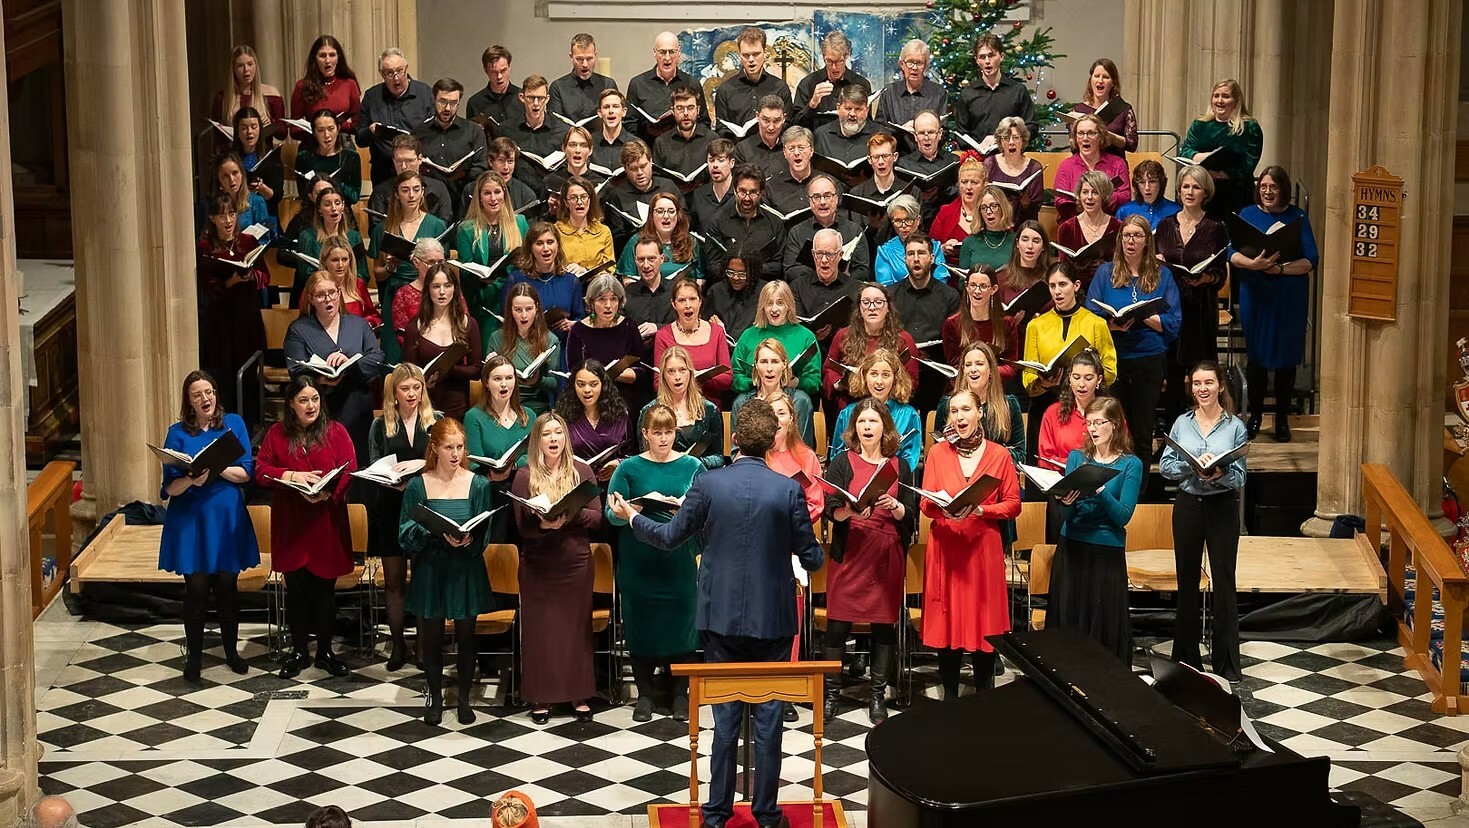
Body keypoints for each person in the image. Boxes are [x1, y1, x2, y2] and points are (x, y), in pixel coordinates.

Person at [608, 399, 823, 828]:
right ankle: (765, 813)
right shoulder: (787, 490)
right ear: (774, 440)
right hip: (774, 620)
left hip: (720, 618)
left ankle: (717, 814)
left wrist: (632, 516)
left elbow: (669, 537)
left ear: (735, 439)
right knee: (768, 720)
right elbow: (813, 559)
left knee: (725, 719)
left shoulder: (708, 485)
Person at [606, 403, 706, 722]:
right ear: (645, 434)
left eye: (668, 432)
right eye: (657, 433)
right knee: (640, 625)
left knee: (683, 626)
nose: (663, 439)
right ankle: (645, 694)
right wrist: (633, 508)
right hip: (640, 560)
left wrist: (684, 511)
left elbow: (707, 511)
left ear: (675, 432)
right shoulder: (628, 469)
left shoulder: (693, 466)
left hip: (678, 560)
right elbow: (612, 514)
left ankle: (679, 695)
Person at [920, 389, 1022, 699]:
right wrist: (944, 507)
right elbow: (926, 504)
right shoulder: (938, 453)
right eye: (954, 411)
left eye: (966, 410)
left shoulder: (999, 455)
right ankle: (950, 696)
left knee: (984, 620)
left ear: (980, 413)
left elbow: (1013, 504)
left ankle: (985, 697)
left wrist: (982, 509)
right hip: (947, 545)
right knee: (947, 620)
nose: (960, 417)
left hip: (982, 547)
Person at [254, 375, 357, 679]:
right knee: (296, 590)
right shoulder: (276, 433)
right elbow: (260, 471)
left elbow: (350, 468)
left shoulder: (335, 431)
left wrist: (328, 492)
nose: (311, 405)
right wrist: (291, 476)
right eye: (303, 400)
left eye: (315, 399)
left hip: (325, 520)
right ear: (291, 404)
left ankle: (325, 652)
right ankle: (299, 651)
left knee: (325, 590)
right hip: (293, 522)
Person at [158, 370, 258, 681]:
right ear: (188, 403)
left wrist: (215, 468)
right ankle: (194, 658)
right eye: (198, 395)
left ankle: (231, 652)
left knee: (228, 586)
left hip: (226, 516)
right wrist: (190, 477)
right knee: (197, 588)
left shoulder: (234, 424)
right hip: (192, 518)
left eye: (210, 392)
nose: (206, 398)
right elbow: (169, 490)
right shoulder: (177, 434)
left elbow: (246, 474)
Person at [821, 397, 916, 723]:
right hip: (851, 553)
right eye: (862, 422)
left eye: (873, 422)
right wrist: (848, 510)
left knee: (883, 628)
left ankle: (877, 696)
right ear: (855, 428)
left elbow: (910, 514)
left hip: (884, 553)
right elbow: (831, 507)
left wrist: (895, 506)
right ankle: (832, 695)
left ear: (884, 428)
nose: (867, 427)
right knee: (836, 626)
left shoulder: (900, 466)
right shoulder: (842, 463)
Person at [398, 418, 495, 725]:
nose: (455, 454)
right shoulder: (418, 484)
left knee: (467, 636)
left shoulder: (477, 483)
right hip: (432, 567)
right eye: (448, 447)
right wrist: (432, 533)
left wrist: (469, 537)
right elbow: (405, 530)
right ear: (435, 449)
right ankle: (436, 698)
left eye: (460, 447)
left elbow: (485, 529)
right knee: (432, 638)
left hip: (465, 565)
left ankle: (465, 699)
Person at [510, 412, 605, 723]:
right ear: (537, 440)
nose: (553, 439)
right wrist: (545, 523)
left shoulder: (582, 471)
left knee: (576, 630)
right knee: (540, 632)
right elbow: (522, 528)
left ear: (566, 438)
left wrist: (570, 516)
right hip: (538, 562)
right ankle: (541, 697)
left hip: (574, 561)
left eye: (558, 433)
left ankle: (578, 694)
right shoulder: (524, 476)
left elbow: (596, 518)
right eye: (547, 434)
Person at [1160, 361, 1248, 681]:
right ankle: (1186, 658)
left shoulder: (1234, 426)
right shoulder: (1182, 424)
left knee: (1224, 582)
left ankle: (1226, 662)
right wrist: (1192, 468)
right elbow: (1167, 466)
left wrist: (1220, 471)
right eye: (1197, 384)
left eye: (1208, 383)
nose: (1203, 389)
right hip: (1188, 506)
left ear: (1220, 386)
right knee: (1186, 582)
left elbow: (1240, 475)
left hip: (1222, 507)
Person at [1229, 165, 1319, 442]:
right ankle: (1255, 417)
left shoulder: (1297, 217)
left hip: (1288, 298)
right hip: (1256, 294)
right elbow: (1231, 252)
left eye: (1274, 187)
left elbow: (1310, 260)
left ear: (1284, 190)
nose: (1268, 191)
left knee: (1285, 361)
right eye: (1264, 186)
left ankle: (1281, 420)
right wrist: (1254, 264)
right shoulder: (1247, 214)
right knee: (1256, 359)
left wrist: (1279, 270)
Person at [1087, 215, 1181, 478]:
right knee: (1113, 424)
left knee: (1142, 425)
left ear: (1146, 241)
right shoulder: (1106, 272)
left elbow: (1174, 322)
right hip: (1114, 356)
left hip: (1149, 357)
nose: (1131, 240)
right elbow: (1090, 315)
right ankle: (1113, 480)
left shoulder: (1163, 275)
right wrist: (1112, 324)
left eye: (1137, 236)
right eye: (1126, 235)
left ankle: (1138, 489)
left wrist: (1145, 316)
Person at [1050, 396, 1142, 662]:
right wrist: (1064, 501)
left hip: (1106, 550)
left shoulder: (1130, 464)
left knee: (1103, 623)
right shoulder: (1077, 458)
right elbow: (1068, 514)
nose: (1092, 428)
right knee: (1071, 620)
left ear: (1114, 425)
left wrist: (1099, 489)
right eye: (1088, 423)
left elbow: (1123, 516)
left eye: (1099, 422)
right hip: (1072, 547)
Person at [366, 364, 439, 672]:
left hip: (424, 508)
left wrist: (419, 470)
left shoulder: (436, 422)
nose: (411, 394)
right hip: (390, 507)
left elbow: (446, 462)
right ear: (393, 393)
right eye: (405, 389)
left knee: (423, 581)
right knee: (394, 581)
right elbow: (373, 466)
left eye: (416, 388)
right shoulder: (380, 426)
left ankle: (424, 645)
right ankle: (398, 645)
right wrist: (393, 479)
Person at [1022, 262, 1117, 466]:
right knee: (1041, 464)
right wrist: (1043, 383)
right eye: (1052, 285)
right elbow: (1028, 374)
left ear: (1076, 285)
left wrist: (1088, 378)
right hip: (1046, 401)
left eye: (1063, 284)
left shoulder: (1096, 324)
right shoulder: (1036, 325)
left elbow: (1110, 371)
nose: (1057, 291)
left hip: (1086, 406)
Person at [285, 271, 386, 463]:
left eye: (332, 292)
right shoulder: (298, 329)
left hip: (356, 401)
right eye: (321, 295)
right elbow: (295, 368)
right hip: (320, 405)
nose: (328, 299)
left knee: (358, 460)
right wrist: (320, 377)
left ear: (339, 293)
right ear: (311, 299)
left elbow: (377, 357)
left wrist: (349, 364)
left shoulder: (358, 324)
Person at [1156, 165, 1229, 426]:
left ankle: (1205, 428)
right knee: (1173, 373)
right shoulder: (1165, 226)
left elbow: (1221, 273)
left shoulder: (1215, 228)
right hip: (1172, 306)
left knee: (1202, 374)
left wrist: (1206, 277)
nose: (1189, 191)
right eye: (1186, 186)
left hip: (1200, 307)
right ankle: (1171, 433)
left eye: (1195, 187)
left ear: (1205, 192)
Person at [195, 195, 268, 415]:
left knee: (248, 375)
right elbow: (208, 288)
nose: (228, 220)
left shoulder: (248, 242)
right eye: (221, 215)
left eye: (232, 214)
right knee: (224, 375)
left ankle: (249, 424)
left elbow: (265, 276)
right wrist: (231, 281)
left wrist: (251, 276)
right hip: (221, 321)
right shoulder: (205, 246)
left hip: (246, 317)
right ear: (212, 218)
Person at [369, 172, 450, 362]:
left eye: (416, 190)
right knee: (394, 350)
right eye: (405, 190)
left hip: (426, 293)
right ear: (396, 194)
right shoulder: (383, 228)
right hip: (395, 292)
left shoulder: (436, 225)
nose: (411, 195)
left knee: (426, 346)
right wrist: (390, 267)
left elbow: (442, 268)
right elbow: (377, 274)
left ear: (422, 192)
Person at [886, 235, 961, 413]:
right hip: (900, 371)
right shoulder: (891, 295)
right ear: (905, 259)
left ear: (932, 257)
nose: (916, 258)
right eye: (910, 254)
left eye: (921, 253)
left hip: (937, 372)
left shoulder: (950, 296)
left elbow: (954, 340)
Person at [731, 282, 820, 434]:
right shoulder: (748, 336)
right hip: (756, 399)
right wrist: (754, 381)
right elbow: (735, 376)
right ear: (762, 307)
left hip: (791, 400)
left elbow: (815, 381)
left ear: (789, 306)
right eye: (769, 303)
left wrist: (796, 382)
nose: (774, 309)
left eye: (780, 303)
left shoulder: (805, 336)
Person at [465, 354, 535, 541]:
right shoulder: (474, 417)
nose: (504, 384)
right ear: (487, 383)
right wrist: (491, 471)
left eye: (509, 378)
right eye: (497, 379)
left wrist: (513, 466)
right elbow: (472, 461)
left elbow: (535, 456)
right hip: (490, 489)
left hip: (524, 488)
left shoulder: (529, 416)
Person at [456, 170, 528, 349]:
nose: (493, 198)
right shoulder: (467, 229)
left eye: (497, 191)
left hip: (514, 292)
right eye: (487, 193)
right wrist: (479, 278)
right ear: (479, 197)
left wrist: (521, 263)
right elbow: (465, 271)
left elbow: (528, 259)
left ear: (504, 193)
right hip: (484, 296)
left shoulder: (519, 222)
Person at [825, 283, 920, 414]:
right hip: (852, 403)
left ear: (888, 307)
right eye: (866, 302)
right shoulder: (843, 336)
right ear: (859, 307)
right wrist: (839, 383)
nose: (872, 308)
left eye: (878, 302)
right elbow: (829, 369)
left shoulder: (903, 339)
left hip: (889, 405)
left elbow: (911, 381)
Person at [403, 266, 483, 421]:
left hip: (457, 400)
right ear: (428, 290)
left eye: (447, 286)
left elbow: (477, 370)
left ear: (455, 288)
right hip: (425, 402)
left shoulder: (469, 324)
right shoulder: (414, 327)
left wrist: (448, 369)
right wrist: (424, 381)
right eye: (436, 286)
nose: (442, 292)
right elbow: (409, 371)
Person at [1178, 79, 1264, 221]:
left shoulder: (1249, 128)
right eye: (1216, 96)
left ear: (1236, 101)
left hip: (1235, 192)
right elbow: (1186, 150)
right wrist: (1199, 157)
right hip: (1204, 192)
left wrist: (1222, 174)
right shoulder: (1200, 125)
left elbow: (1249, 162)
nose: (1219, 100)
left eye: (1225, 96)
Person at [566, 273, 654, 410]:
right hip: (591, 401)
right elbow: (573, 371)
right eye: (602, 299)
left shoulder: (628, 326)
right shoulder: (578, 330)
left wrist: (613, 374)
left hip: (626, 399)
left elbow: (642, 371)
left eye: (613, 299)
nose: (608, 305)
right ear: (591, 302)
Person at [828, 348, 923, 474]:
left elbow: (910, 459)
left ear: (895, 379)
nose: (879, 381)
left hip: (893, 482)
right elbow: (836, 455)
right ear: (864, 377)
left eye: (886, 375)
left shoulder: (909, 415)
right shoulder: (847, 413)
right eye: (873, 374)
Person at [934, 342, 1025, 463]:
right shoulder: (947, 404)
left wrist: (987, 456)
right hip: (958, 475)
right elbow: (940, 451)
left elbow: (1020, 454)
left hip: (995, 474)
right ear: (963, 370)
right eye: (968, 365)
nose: (973, 369)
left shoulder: (1009, 405)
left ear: (991, 369)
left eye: (979, 364)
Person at [357, 47, 434, 186]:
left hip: (418, 172)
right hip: (384, 172)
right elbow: (360, 139)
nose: (396, 78)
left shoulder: (424, 93)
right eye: (389, 73)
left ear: (407, 68)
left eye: (399, 71)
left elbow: (434, 131)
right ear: (382, 74)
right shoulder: (372, 97)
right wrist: (371, 131)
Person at [641, 344, 727, 467]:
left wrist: (692, 462)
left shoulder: (709, 409)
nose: (677, 377)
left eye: (682, 370)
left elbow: (719, 457)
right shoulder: (649, 411)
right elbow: (643, 457)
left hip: (699, 477)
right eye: (671, 371)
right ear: (663, 376)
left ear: (690, 373)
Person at [414, 78, 489, 215]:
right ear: (434, 99)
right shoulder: (419, 133)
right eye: (443, 102)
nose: (448, 108)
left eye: (453, 103)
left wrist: (464, 174)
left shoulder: (473, 131)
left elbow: (482, 165)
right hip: (430, 203)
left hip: (464, 199)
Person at [781, 174, 873, 284]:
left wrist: (839, 275)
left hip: (845, 291)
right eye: (816, 197)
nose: (822, 202)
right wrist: (822, 270)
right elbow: (790, 272)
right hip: (809, 292)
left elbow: (863, 272)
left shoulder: (854, 230)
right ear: (809, 201)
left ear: (836, 198)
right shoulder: (796, 232)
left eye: (827, 195)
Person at [954, 34, 1038, 152]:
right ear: (977, 60)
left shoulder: (1018, 90)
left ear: (1001, 56)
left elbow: (1031, 127)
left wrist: (1001, 138)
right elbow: (960, 134)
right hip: (978, 160)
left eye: (991, 55)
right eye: (982, 57)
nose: (987, 61)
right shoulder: (967, 94)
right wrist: (979, 147)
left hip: (1011, 157)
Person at [655, 278, 734, 402]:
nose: (688, 305)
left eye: (692, 299)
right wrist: (690, 378)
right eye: (681, 300)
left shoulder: (716, 332)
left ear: (700, 301)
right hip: (675, 405)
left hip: (709, 405)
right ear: (674, 304)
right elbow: (657, 382)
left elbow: (727, 378)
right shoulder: (663, 335)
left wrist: (699, 378)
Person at [704, 164, 785, 281]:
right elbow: (713, 266)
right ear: (734, 190)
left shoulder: (775, 224)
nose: (747, 198)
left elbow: (778, 266)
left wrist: (749, 270)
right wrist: (737, 272)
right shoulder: (717, 222)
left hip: (763, 288)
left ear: (761, 193)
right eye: (742, 191)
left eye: (752, 192)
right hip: (728, 288)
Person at [506, 221, 585, 340]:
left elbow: (579, 318)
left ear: (557, 245)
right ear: (530, 248)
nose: (546, 249)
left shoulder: (571, 281)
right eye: (539, 243)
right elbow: (505, 319)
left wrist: (571, 324)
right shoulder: (516, 280)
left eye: (550, 242)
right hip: (526, 345)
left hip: (561, 345)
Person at [290, 186, 364, 306]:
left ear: (343, 206)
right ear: (319, 209)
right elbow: (304, 274)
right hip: (319, 297)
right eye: (328, 204)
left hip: (348, 294)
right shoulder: (307, 236)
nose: (334, 208)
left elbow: (363, 273)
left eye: (337, 203)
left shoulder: (354, 237)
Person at [790, 228, 861, 353]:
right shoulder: (797, 287)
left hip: (847, 353)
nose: (823, 260)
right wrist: (813, 335)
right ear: (813, 254)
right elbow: (795, 329)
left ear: (840, 255)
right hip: (809, 352)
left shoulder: (856, 288)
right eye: (819, 254)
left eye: (829, 254)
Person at [713, 26, 795, 134]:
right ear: (739, 55)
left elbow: (788, 124)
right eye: (746, 55)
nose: (751, 60)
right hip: (738, 148)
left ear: (765, 53)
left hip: (773, 148)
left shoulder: (780, 87)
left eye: (756, 54)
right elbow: (721, 128)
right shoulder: (725, 90)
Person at [943, 265, 1019, 380]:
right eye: (972, 285)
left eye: (983, 286)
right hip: (965, 388)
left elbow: (1011, 367)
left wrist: (986, 372)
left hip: (996, 387)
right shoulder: (952, 323)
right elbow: (954, 366)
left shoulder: (1007, 323)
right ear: (967, 287)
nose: (977, 291)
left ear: (993, 289)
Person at [364, 135, 457, 228]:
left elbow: (446, 223)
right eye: (399, 161)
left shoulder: (438, 188)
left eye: (409, 161)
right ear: (393, 160)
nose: (404, 166)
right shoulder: (381, 192)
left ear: (420, 159)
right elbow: (376, 230)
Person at [499, 74, 570, 195]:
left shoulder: (562, 130)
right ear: (522, 97)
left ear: (547, 99)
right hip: (516, 195)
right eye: (531, 98)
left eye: (540, 98)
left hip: (550, 195)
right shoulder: (507, 129)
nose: (536, 103)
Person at [498, 283, 563, 415]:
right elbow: (486, 380)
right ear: (510, 309)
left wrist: (538, 380)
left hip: (537, 407)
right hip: (504, 406)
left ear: (537, 308)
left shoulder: (550, 340)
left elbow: (554, 383)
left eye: (529, 309)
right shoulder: (497, 337)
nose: (524, 315)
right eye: (518, 310)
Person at [626, 32, 706, 139]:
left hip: (684, 147)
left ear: (679, 53)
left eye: (672, 52)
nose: (667, 58)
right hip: (648, 148)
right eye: (662, 52)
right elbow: (629, 123)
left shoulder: (692, 83)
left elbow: (704, 122)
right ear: (655, 53)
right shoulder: (637, 84)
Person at [1053, 114, 1128, 222]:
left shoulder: (1117, 163)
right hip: (1075, 224)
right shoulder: (1066, 166)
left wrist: (1101, 199)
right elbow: (1060, 201)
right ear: (1075, 138)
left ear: (1101, 137)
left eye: (1091, 133)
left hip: (1108, 224)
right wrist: (1078, 204)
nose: (1085, 138)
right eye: (1080, 133)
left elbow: (1125, 196)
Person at [616, 192, 706, 282]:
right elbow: (628, 279)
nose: (666, 216)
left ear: (678, 215)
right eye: (660, 211)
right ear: (652, 215)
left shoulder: (690, 241)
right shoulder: (637, 241)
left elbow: (700, 278)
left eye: (671, 211)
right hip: (646, 294)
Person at [1054, 170, 1122, 289]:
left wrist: (1107, 267)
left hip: (1110, 287)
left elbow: (1124, 265)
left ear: (1104, 196)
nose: (1089, 197)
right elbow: (1063, 270)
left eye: (1095, 192)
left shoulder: (1118, 227)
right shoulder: (1067, 228)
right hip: (1076, 291)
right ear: (1079, 195)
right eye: (1085, 192)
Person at [998, 220, 1054, 359]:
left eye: (1036, 241)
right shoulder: (1001, 277)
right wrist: (1011, 323)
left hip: (1044, 346)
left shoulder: (1051, 278)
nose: (1030, 246)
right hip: (1011, 349)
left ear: (1043, 247)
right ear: (1017, 244)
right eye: (1025, 239)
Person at [794, 31, 871, 129]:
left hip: (852, 142)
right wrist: (812, 104)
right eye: (829, 61)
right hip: (818, 141)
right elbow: (796, 125)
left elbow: (868, 123)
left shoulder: (861, 84)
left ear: (847, 56)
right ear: (823, 57)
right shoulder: (808, 83)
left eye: (839, 61)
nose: (834, 67)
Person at [874, 41, 950, 136]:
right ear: (902, 64)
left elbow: (944, 132)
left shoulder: (938, 93)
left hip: (927, 149)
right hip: (897, 148)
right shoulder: (889, 92)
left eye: (919, 63)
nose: (914, 67)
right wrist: (900, 131)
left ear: (926, 66)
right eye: (910, 62)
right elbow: (879, 130)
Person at [289, 35, 361, 133]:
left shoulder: (350, 84)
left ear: (338, 57)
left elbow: (357, 126)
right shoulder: (302, 86)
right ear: (315, 58)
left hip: (341, 141)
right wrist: (317, 129)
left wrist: (335, 125)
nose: (328, 61)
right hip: (312, 142)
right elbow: (294, 130)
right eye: (322, 56)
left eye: (332, 55)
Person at [896, 110, 957, 223]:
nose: (926, 137)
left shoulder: (953, 161)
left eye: (931, 132)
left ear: (939, 134)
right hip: (915, 222)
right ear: (915, 136)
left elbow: (958, 195)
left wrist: (939, 192)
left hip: (945, 219)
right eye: (921, 133)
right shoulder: (903, 164)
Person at [873, 194, 946, 287]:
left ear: (918, 220)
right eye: (898, 221)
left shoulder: (935, 247)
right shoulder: (885, 252)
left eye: (908, 220)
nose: (903, 225)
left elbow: (941, 283)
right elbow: (885, 288)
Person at [1068, 58, 1137, 156]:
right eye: (1096, 76)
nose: (1100, 80)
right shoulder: (1078, 109)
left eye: (1105, 77)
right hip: (1086, 167)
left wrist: (1110, 137)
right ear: (1091, 80)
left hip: (1114, 166)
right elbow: (1074, 148)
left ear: (1113, 83)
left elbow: (1132, 145)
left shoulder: (1123, 109)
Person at [309, 237, 380, 331]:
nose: (340, 265)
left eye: (345, 259)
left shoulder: (358, 284)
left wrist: (368, 324)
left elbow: (373, 316)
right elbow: (305, 322)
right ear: (325, 261)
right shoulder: (314, 286)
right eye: (335, 260)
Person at [929, 153, 987, 265]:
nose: (969, 187)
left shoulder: (994, 212)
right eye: (964, 182)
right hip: (951, 275)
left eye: (974, 182)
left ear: (984, 185)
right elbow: (930, 249)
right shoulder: (945, 212)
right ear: (958, 185)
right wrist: (943, 249)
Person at [294, 109, 362, 205]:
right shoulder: (304, 158)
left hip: (341, 212)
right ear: (313, 132)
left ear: (338, 129)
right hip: (313, 212)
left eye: (331, 129)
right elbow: (304, 195)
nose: (326, 135)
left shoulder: (351, 157)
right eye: (321, 130)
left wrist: (332, 183)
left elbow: (354, 197)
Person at [983, 117, 1043, 224]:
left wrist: (1025, 202)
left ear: (1023, 140)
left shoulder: (1034, 167)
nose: (1011, 142)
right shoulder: (990, 163)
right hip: (995, 224)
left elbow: (1036, 209)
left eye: (1016, 138)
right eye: (1006, 138)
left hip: (1024, 225)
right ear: (1000, 142)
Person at [549, 33, 618, 125]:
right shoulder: (558, 87)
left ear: (595, 56)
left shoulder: (607, 84)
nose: (585, 64)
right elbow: (555, 125)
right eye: (580, 59)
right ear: (571, 57)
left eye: (589, 59)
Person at [553, 174, 615, 275]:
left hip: (596, 286)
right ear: (566, 203)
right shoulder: (556, 231)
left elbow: (610, 269)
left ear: (590, 200)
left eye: (584, 197)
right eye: (573, 198)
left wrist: (585, 271)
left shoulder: (603, 232)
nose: (579, 202)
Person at [704, 245, 767, 344]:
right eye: (731, 272)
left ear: (752, 272)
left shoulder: (765, 292)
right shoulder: (716, 291)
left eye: (742, 274)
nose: (735, 277)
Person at [229, 106, 283, 219]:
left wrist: (262, 188)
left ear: (260, 129)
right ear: (237, 131)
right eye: (244, 128)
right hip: (237, 214)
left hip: (266, 213)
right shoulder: (231, 158)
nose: (249, 132)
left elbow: (277, 197)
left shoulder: (271, 157)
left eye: (254, 127)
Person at [652, 85, 715, 183]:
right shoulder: (661, 142)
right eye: (680, 108)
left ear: (698, 110)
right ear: (673, 111)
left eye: (690, 108)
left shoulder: (712, 139)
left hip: (704, 196)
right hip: (672, 196)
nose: (685, 113)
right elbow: (658, 180)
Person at [213, 45, 283, 131]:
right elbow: (217, 135)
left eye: (250, 64)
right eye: (240, 66)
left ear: (256, 65)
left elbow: (282, 133)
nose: (246, 69)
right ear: (233, 69)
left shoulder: (271, 94)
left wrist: (270, 124)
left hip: (262, 143)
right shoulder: (222, 98)